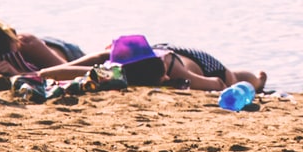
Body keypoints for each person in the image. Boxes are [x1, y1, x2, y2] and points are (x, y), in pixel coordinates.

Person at [66, 35, 267, 92]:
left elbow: (218, 83)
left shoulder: (176, 72)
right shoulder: (125, 61)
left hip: (202, 63)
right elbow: (93, 62)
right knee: (100, 57)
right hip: (151, 54)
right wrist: (44, 73)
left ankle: (258, 81)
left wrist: (176, 82)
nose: (167, 79)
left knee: (234, 78)